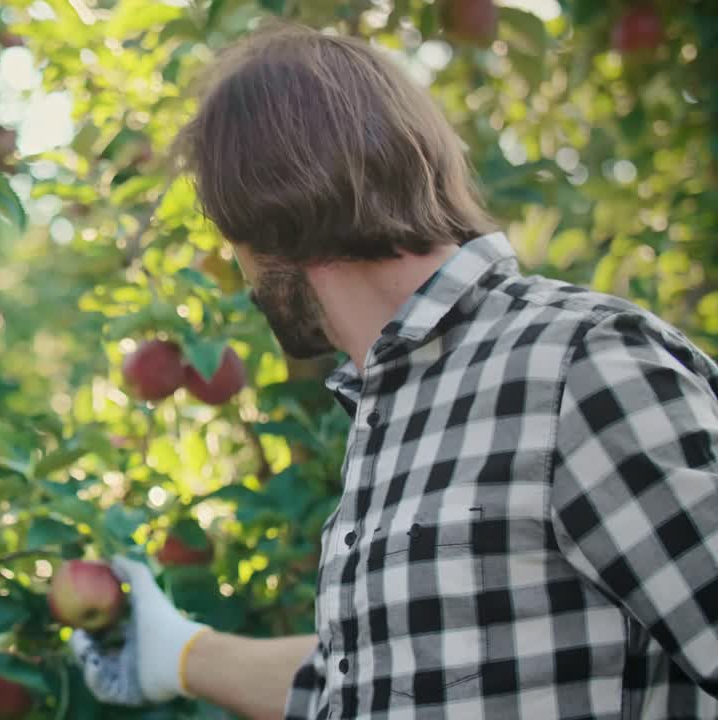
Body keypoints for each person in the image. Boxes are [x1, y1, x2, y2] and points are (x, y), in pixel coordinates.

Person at [67, 22, 718, 720]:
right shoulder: (400, 410)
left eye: (231, 242)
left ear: (265, 215)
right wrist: (184, 655)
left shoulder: (577, 368)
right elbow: (382, 687)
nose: (240, 274)